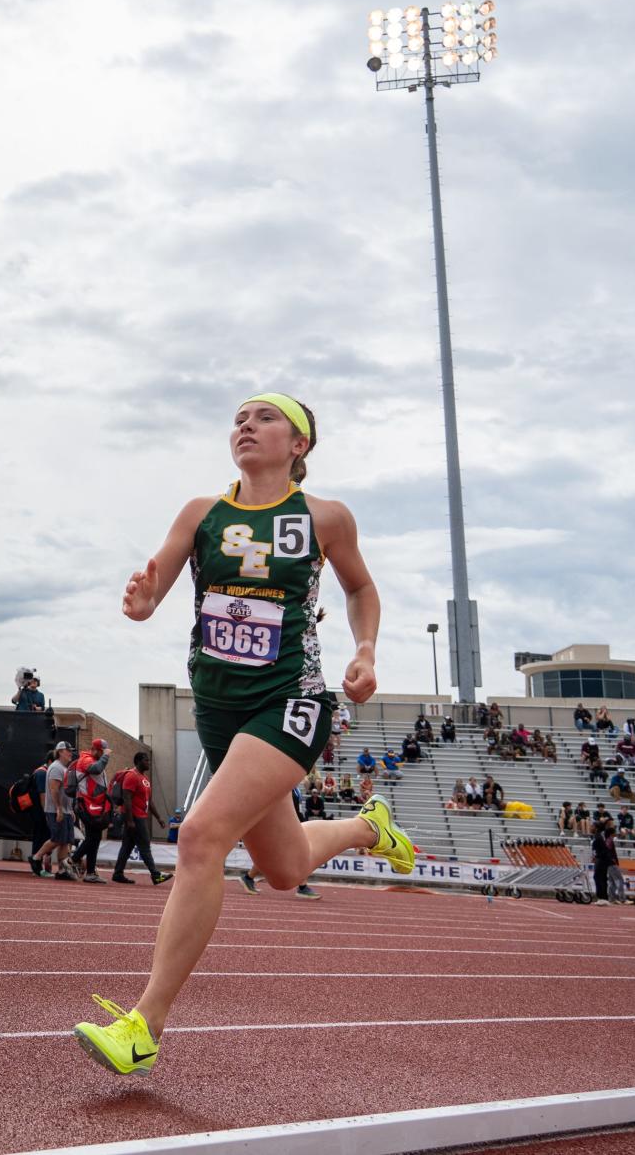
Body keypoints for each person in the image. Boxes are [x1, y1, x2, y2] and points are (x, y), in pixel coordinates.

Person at [74, 391, 412, 1075]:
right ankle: (368, 829)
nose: (245, 426)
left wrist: (367, 649)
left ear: (299, 445)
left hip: (291, 699)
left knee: (200, 835)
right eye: (238, 419)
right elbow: (156, 583)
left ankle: (145, 1027)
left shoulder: (326, 518)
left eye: (264, 418)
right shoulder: (202, 514)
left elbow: (359, 589)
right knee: (284, 869)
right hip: (219, 707)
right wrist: (141, 602)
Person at [112, 750, 175, 886]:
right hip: (134, 816)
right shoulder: (132, 776)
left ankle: (118, 873)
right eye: (146, 760)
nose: (148, 762)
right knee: (144, 845)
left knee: (127, 846)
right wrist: (129, 820)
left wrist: (158, 818)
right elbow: (127, 798)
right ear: (139, 761)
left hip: (140, 815)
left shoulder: (144, 779)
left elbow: (149, 801)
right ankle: (155, 875)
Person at [31, 741, 80, 881]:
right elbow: (54, 790)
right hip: (56, 810)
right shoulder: (56, 768)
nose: (70, 753)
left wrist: (69, 809)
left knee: (66, 840)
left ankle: (62, 870)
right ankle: (36, 857)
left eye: (71, 750)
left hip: (65, 810)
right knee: (58, 838)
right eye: (67, 750)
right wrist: (59, 809)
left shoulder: (65, 768)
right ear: (60, 752)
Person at [72, 738, 113, 884]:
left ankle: (90, 873)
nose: (103, 755)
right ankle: (73, 860)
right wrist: (106, 756)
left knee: (95, 838)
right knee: (93, 838)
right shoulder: (86, 759)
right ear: (95, 750)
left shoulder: (91, 759)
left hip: (93, 805)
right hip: (86, 805)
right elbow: (96, 769)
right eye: (101, 752)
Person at [592, 820, 626, 905]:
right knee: (601, 878)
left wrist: (597, 856)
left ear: (596, 828)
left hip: (602, 860)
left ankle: (602, 898)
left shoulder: (599, 837)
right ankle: (604, 898)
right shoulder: (598, 836)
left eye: (592, 826)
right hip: (602, 859)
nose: (590, 827)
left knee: (599, 878)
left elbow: (603, 850)